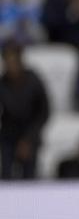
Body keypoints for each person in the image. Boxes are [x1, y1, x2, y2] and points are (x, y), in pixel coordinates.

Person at [0, 40, 50, 179]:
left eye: (14, 60)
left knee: (30, 177)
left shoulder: (33, 81)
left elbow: (44, 112)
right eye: (7, 60)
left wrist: (29, 139)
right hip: (8, 137)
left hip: (30, 134)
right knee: (6, 175)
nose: (11, 64)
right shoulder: (2, 84)